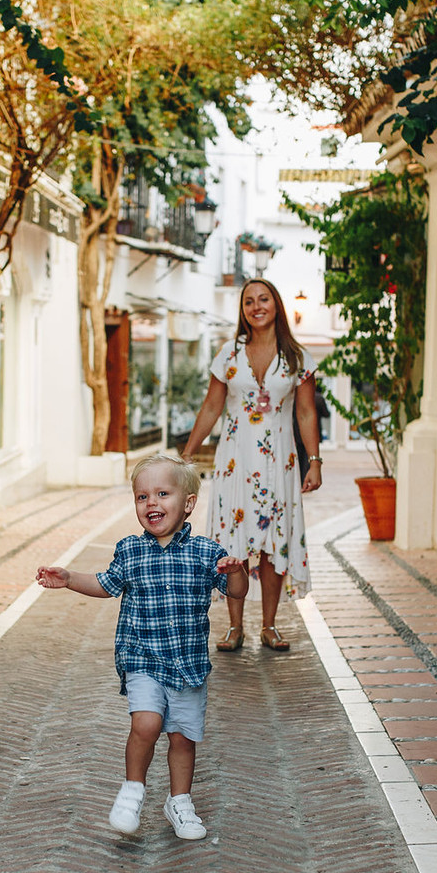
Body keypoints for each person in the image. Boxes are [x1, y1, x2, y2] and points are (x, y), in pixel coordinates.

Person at [36, 453, 247, 841]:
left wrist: (238, 573)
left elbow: (235, 592)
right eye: (141, 496)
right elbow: (105, 584)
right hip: (143, 659)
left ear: (187, 504)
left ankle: (179, 801)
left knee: (182, 738)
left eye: (162, 493)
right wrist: (68, 578)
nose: (151, 503)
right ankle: (132, 791)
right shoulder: (130, 551)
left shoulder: (206, 553)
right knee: (146, 723)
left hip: (188, 664)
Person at [181, 278, 321, 652]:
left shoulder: (297, 357)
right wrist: (188, 452)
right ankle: (234, 626)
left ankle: (270, 625)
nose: (256, 306)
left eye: (263, 299)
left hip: (281, 461)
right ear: (242, 310)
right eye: (248, 302)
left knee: (275, 541)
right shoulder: (229, 353)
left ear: (276, 304)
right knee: (232, 542)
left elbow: (307, 413)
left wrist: (315, 461)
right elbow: (212, 406)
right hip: (235, 461)